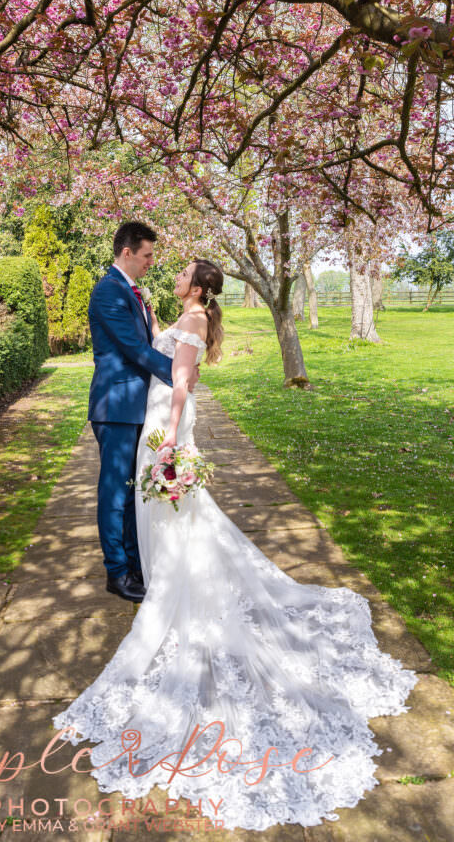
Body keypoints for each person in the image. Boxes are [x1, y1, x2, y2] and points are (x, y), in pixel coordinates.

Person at [54, 257, 419, 832]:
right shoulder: (183, 313)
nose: (172, 277)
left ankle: (177, 591)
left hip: (166, 423)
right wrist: (148, 311)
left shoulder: (195, 322)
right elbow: (152, 349)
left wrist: (172, 438)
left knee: (177, 517)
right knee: (168, 517)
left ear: (198, 288)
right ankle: (169, 582)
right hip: (153, 416)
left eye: (182, 276)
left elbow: (183, 382)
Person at [86, 221, 199, 603]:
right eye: (147, 255)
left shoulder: (130, 290)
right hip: (117, 407)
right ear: (127, 252)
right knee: (115, 493)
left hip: (138, 407)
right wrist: (178, 376)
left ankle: (135, 564)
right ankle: (116, 572)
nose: (152, 261)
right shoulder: (108, 292)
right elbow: (135, 349)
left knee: (133, 492)